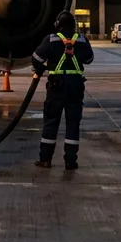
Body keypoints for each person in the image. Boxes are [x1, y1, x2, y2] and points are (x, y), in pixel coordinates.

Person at [31, 10, 95, 170]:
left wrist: (44, 68)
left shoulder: (51, 39)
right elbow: (89, 59)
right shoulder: (81, 40)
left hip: (56, 86)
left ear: (58, 25)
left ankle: (45, 159)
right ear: (74, 25)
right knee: (73, 123)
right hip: (75, 86)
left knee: (51, 122)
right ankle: (70, 161)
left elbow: (36, 58)